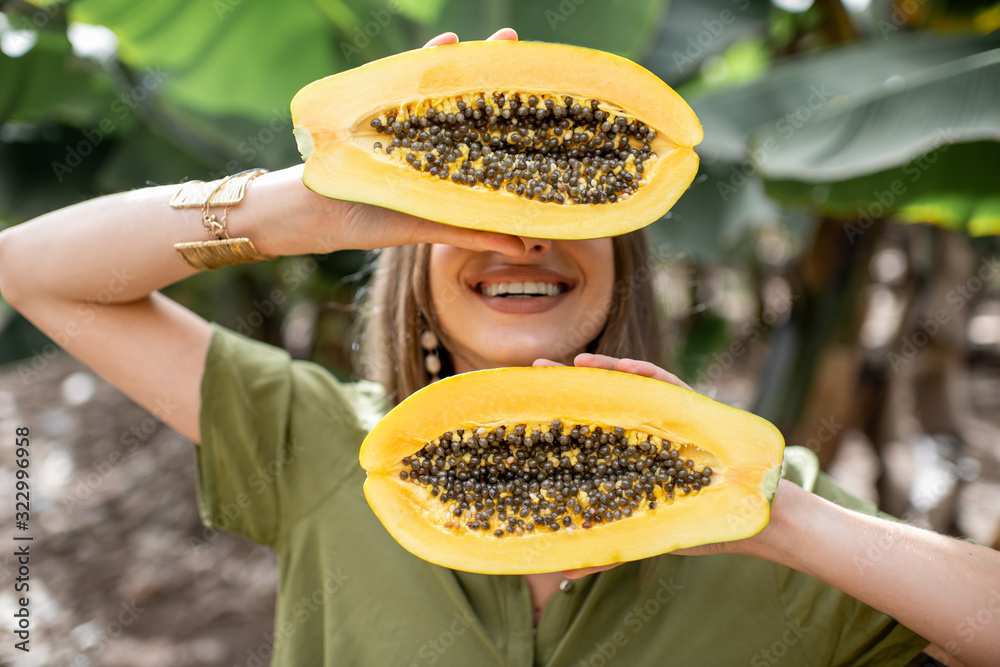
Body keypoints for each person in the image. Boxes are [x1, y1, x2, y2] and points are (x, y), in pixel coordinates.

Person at [0, 27, 997, 667]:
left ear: (626, 254)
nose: (523, 241)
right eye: (474, 216)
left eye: (566, 212)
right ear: (406, 253)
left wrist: (773, 517)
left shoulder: (769, 500)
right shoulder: (312, 439)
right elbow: (33, 268)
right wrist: (322, 200)